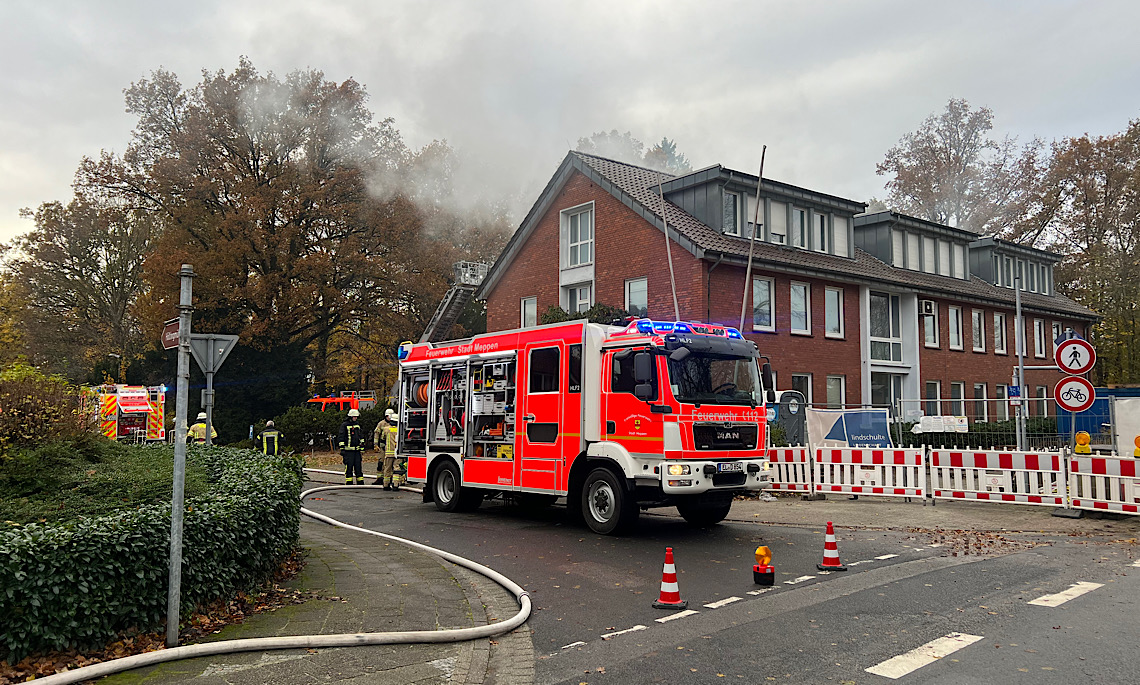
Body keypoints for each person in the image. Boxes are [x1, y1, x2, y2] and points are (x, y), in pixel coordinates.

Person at [338, 408, 366, 485]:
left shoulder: (357, 425)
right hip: (348, 451)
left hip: (357, 451)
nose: (356, 418)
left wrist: (362, 447)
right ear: (350, 417)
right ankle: (349, 482)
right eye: (354, 417)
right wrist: (342, 449)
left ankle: (360, 482)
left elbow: (361, 436)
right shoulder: (344, 425)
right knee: (349, 467)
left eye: (356, 417)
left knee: (358, 467)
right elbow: (341, 437)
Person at [374, 408, 399, 490]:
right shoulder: (399, 429)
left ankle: (386, 485)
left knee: (387, 469)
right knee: (396, 468)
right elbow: (377, 434)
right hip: (396, 452)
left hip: (388, 452)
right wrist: (376, 444)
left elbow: (383, 437)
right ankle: (395, 485)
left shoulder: (386, 429)